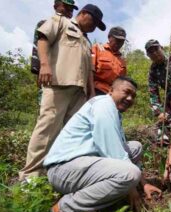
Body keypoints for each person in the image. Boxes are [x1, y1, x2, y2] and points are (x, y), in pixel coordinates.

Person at [44, 77, 162, 212]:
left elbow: (121, 150)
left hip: (82, 164)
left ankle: (96, 193)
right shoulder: (104, 105)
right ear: (111, 90)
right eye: (126, 92)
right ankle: (65, 209)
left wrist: (144, 184)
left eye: (133, 96)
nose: (130, 98)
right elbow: (113, 151)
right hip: (64, 169)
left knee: (135, 147)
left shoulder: (113, 111)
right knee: (130, 174)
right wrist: (132, 189)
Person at [19, 4, 106, 181]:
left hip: (79, 93)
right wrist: (44, 65)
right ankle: (30, 177)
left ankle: (58, 173)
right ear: (82, 14)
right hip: (58, 85)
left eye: (97, 24)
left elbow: (89, 70)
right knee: (47, 129)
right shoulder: (61, 22)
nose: (94, 26)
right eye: (94, 21)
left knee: (73, 134)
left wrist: (91, 93)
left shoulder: (86, 40)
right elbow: (42, 39)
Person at [30, 0, 78, 105]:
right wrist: (40, 70)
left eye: (71, 9)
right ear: (55, 6)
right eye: (66, 7)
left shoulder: (76, 30)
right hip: (50, 78)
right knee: (47, 112)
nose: (69, 11)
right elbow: (37, 48)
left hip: (67, 80)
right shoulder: (45, 24)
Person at [92, 26, 127, 95]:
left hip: (112, 94)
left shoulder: (122, 60)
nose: (119, 43)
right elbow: (89, 71)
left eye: (122, 41)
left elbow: (122, 81)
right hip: (96, 90)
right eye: (117, 40)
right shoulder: (97, 48)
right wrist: (90, 91)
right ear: (109, 37)